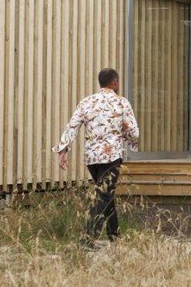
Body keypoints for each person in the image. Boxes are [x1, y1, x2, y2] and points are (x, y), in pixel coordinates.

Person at [53, 68, 139, 248]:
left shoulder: (87, 102)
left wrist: (63, 150)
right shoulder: (121, 103)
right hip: (112, 156)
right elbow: (134, 132)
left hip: (92, 158)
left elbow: (72, 126)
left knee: (106, 194)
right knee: (103, 195)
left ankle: (115, 236)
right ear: (115, 82)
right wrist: (129, 140)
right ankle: (87, 237)